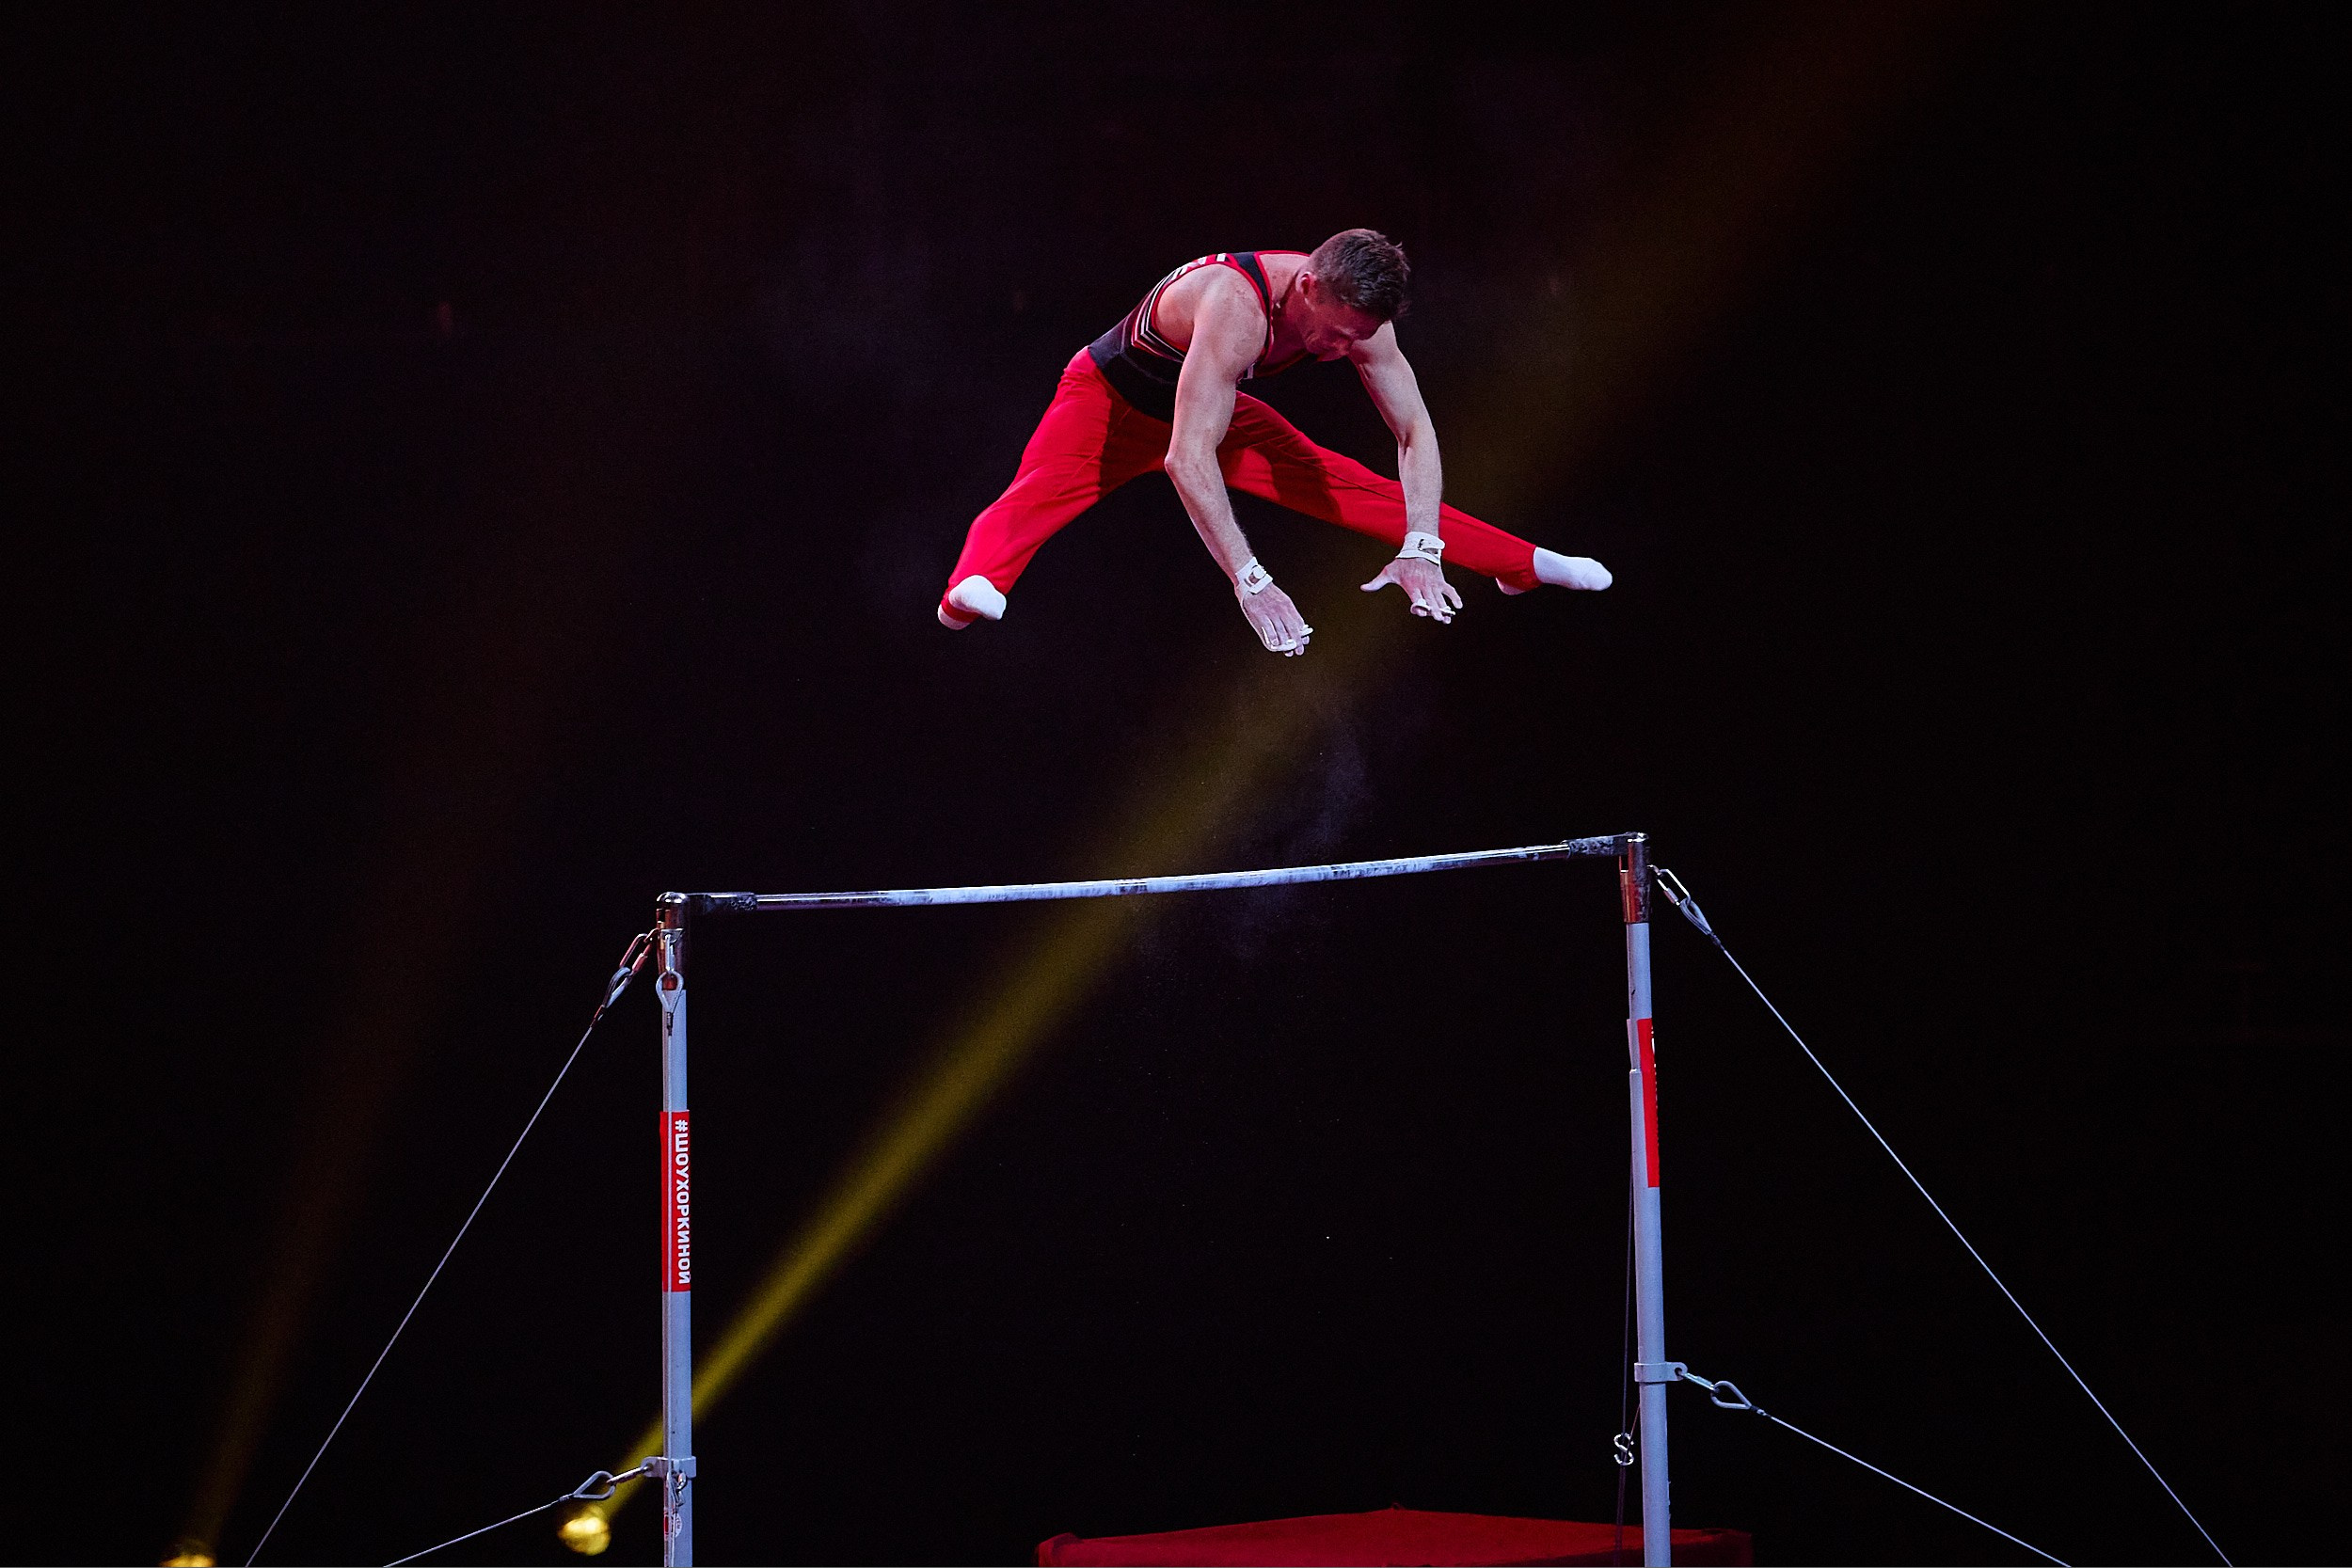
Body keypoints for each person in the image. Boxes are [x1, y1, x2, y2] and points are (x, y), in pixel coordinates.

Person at [937, 229, 1611, 655]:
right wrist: (1250, 580)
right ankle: (965, 592)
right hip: (1109, 404)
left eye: (1358, 339)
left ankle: (1517, 561)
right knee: (1038, 495)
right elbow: (1185, 457)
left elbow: (1415, 431)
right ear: (1308, 286)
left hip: (1215, 413)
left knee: (1346, 484)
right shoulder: (1236, 305)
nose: (1344, 350)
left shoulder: (1364, 323)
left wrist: (1422, 545)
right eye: (1338, 333)